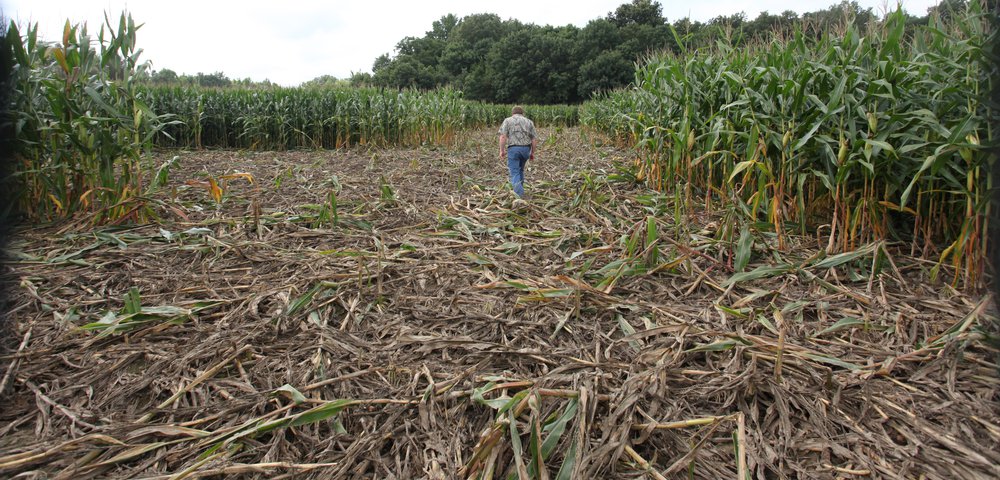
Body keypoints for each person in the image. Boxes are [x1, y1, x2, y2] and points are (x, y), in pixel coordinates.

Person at [498, 106, 537, 198]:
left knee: (514, 172)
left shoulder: (507, 120)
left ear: (513, 113)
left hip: (513, 149)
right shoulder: (529, 121)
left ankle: (519, 196)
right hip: (526, 150)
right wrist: (532, 153)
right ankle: (520, 189)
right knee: (520, 170)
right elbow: (534, 139)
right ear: (522, 113)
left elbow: (503, 137)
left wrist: (502, 150)